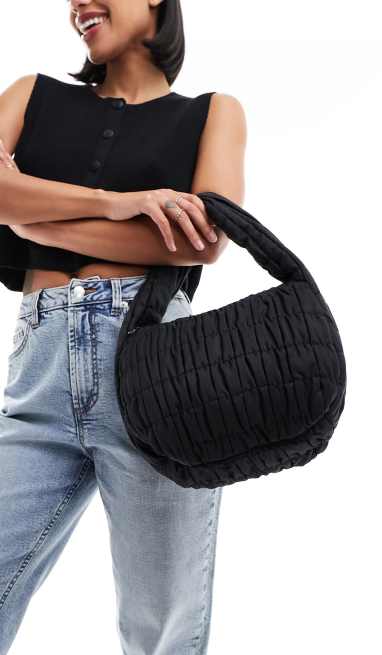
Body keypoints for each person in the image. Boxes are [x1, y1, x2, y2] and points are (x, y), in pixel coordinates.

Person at [0, 0, 246, 652]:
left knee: (161, 624)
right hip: (39, 370)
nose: (78, 4)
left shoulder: (213, 113)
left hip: (156, 367)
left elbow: (200, 241)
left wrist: (28, 217)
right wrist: (120, 205)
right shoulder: (31, 95)